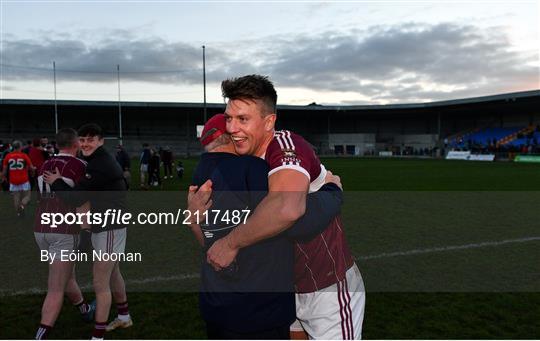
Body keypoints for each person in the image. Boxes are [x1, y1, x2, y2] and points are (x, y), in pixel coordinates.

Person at [205, 75, 365, 339]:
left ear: (269, 122)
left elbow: (287, 208)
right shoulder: (241, 163)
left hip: (325, 288)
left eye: (243, 119)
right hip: (282, 292)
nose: (232, 128)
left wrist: (230, 243)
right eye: (229, 118)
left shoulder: (286, 145)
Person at [188, 113, 344, 339]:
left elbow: (208, 243)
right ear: (231, 137)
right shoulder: (250, 169)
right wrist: (332, 190)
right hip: (257, 308)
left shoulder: (199, 178)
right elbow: (296, 219)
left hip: (216, 302)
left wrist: (192, 221)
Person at [43, 123, 132, 339]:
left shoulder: (99, 164)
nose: (85, 144)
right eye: (82, 140)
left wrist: (56, 182)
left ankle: (97, 336)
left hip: (109, 226)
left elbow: (76, 198)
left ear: (101, 141)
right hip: (108, 224)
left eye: (91, 139)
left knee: (100, 282)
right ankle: (124, 316)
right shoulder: (96, 160)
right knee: (113, 274)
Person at [34, 128, 95, 339]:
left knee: (66, 276)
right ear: (76, 144)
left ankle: (84, 309)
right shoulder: (80, 166)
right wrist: (86, 230)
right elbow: (83, 202)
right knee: (56, 287)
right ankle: (41, 334)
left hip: (41, 228)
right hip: (64, 229)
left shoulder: (44, 164)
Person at [1, 140, 35, 217]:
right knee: (27, 196)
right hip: (23, 179)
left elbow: (4, 170)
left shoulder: (8, 156)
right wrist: (33, 173)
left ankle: (19, 214)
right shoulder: (24, 155)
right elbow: (31, 168)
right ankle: (22, 205)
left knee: (16, 197)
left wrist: (3, 178)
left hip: (13, 180)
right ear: (20, 147)